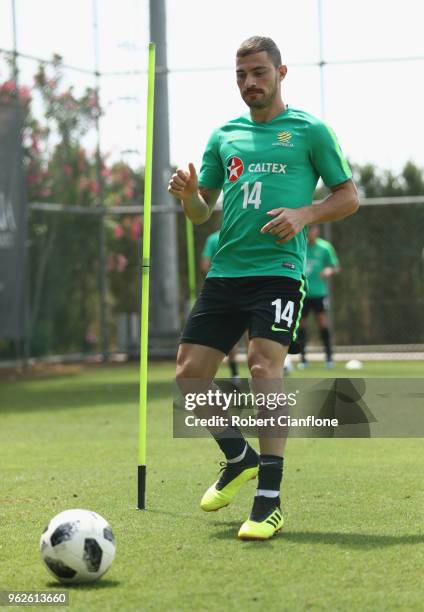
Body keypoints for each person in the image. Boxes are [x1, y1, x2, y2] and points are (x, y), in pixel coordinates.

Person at [168, 36, 359, 540]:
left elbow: (348, 197)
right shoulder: (223, 136)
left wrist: (306, 213)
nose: (249, 82)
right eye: (241, 75)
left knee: (262, 365)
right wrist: (189, 197)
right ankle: (238, 456)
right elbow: (201, 213)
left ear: (280, 72)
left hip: (278, 271)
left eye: (258, 72)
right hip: (227, 272)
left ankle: (269, 498)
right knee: (189, 376)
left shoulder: (309, 131)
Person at [201, 230, 242, 384]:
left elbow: (205, 265)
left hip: (223, 289)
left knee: (229, 334)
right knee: (253, 335)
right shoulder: (243, 232)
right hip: (250, 287)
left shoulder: (213, 237)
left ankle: (235, 373)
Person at [298, 225, 341, 368]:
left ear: (317, 231)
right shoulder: (300, 246)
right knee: (301, 325)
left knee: (322, 323)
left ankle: (329, 357)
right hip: (302, 293)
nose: (311, 232)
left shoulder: (325, 247)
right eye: (308, 229)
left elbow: (335, 266)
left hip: (319, 293)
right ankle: (303, 359)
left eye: (313, 229)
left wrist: (329, 270)